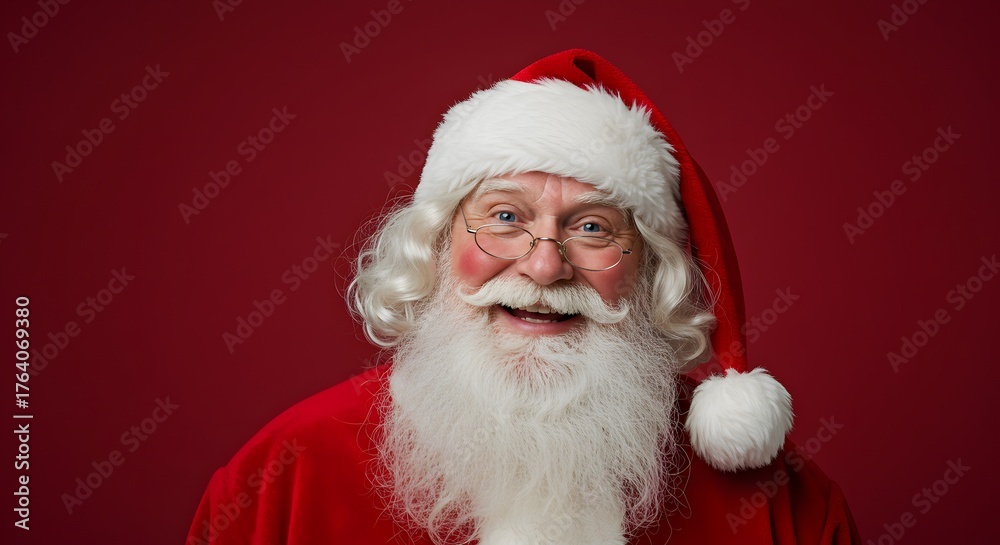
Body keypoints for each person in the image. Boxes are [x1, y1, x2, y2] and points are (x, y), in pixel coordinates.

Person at [186, 49, 860, 545]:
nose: (543, 265)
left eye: (593, 227)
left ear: (650, 268)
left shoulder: (781, 504)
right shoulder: (283, 477)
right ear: (437, 242)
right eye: (505, 217)